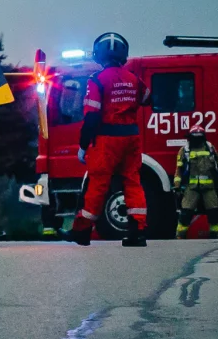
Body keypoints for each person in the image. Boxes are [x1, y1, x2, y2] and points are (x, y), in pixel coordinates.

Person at [62, 32, 151, 247]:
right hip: (131, 138)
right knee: (132, 181)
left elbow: (91, 116)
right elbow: (149, 99)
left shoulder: (96, 80)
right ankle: (137, 232)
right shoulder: (134, 79)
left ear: (98, 55)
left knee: (98, 184)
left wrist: (83, 146)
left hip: (107, 140)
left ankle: (81, 231)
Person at [174, 125, 218, 239]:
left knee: (214, 213)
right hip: (191, 188)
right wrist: (177, 186)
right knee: (185, 214)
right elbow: (178, 169)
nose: (196, 140)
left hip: (209, 188)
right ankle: (180, 236)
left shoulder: (210, 148)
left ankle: (216, 236)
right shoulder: (185, 150)